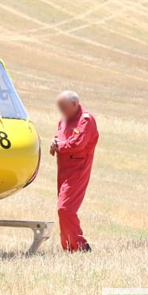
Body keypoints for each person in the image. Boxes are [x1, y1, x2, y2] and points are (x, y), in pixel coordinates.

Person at [50, 91, 99, 252]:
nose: (61, 111)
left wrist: (60, 146)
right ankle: (68, 248)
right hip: (63, 168)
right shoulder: (63, 120)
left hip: (77, 169)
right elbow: (60, 138)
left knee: (65, 208)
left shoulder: (86, 120)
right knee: (61, 209)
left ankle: (81, 246)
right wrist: (54, 143)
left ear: (74, 104)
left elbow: (78, 144)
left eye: (63, 107)